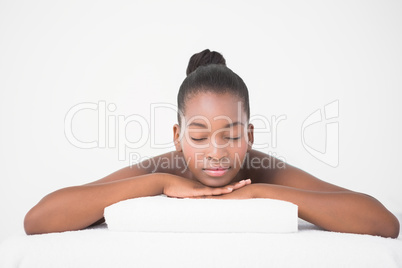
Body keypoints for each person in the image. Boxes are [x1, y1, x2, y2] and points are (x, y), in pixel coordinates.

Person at [24, 49, 400, 238]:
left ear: (250, 136)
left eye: (232, 135)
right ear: (178, 137)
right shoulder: (165, 167)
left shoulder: (260, 168)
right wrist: (159, 183)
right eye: (199, 136)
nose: (217, 152)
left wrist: (262, 194)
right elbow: (37, 220)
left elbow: (383, 222)